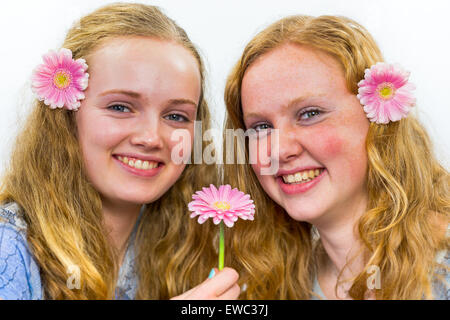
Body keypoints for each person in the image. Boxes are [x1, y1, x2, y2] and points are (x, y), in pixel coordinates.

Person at [0, 3, 240, 300]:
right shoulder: (8, 247)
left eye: (176, 116)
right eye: (120, 107)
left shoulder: (187, 248)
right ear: (65, 116)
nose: (151, 137)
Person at [223, 15, 449, 299]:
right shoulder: (275, 287)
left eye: (310, 114)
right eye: (261, 127)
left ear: (376, 119)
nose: (279, 151)